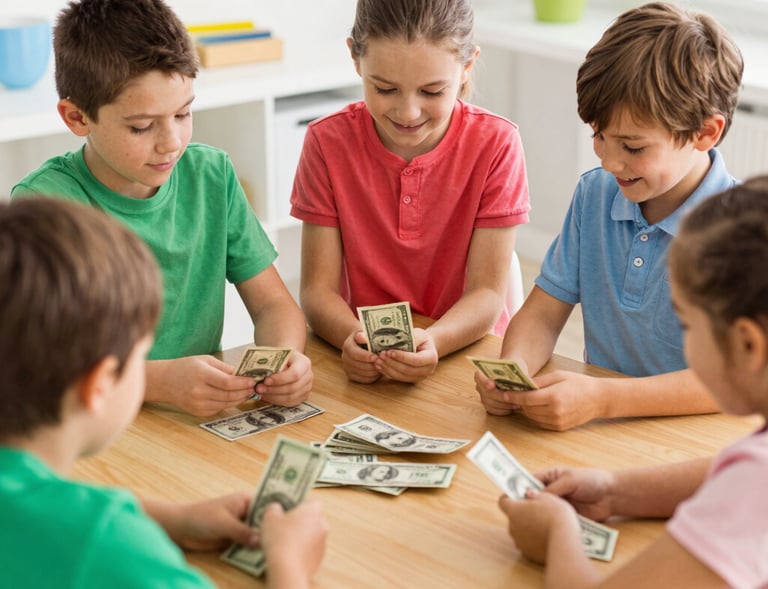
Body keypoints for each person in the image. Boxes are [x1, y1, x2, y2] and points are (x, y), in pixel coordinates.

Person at [0, 196, 327, 589]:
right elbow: (85, 532)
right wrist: (290, 564)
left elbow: (35, 502)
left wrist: (174, 519)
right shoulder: (108, 543)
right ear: (99, 384)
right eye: (142, 354)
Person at [10, 0, 313, 418]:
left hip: (191, 420)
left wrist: (285, 358)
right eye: (142, 126)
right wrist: (160, 382)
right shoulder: (47, 206)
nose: (171, 142)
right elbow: (41, 363)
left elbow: (272, 304)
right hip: (91, 423)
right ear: (77, 117)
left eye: (183, 113)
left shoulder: (212, 175)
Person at [475, 2, 744, 431]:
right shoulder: (596, 194)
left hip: (695, 442)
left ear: (705, 133)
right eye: (599, 136)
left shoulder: (744, 233)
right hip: (601, 429)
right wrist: (512, 371)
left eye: (633, 147)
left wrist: (603, 398)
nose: (610, 163)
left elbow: (736, 379)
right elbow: (544, 312)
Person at [498, 176, 768, 588]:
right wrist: (613, 490)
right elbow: (732, 472)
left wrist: (556, 535)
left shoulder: (753, 486)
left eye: (687, 325)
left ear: (747, 344)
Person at [291, 0, 530, 384]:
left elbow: (487, 294)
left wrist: (435, 340)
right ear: (355, 58)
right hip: (366, 356)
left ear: (467, 66)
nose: (408, 113)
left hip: (465, 354)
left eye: (432, 91)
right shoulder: (326, 142)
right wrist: (353, 338)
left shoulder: (497, 143)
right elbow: (317, 291)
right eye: (385, 88)